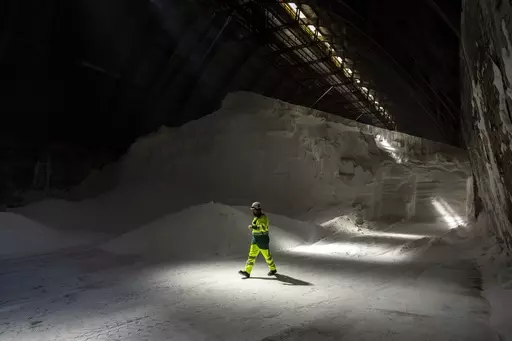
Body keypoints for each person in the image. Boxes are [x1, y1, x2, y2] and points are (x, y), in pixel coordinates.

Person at [239, 202, 277, 278]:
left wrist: (254, 227)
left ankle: (273, 269)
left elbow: (263, 227)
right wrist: (254, 228)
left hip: (262, 240)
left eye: (254, 210)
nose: (253, 212)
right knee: (251, 256)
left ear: (257, 210)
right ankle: (247, 271)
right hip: (255, 239)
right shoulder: (256, 217)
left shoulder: (263, 218)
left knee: (267, 256)